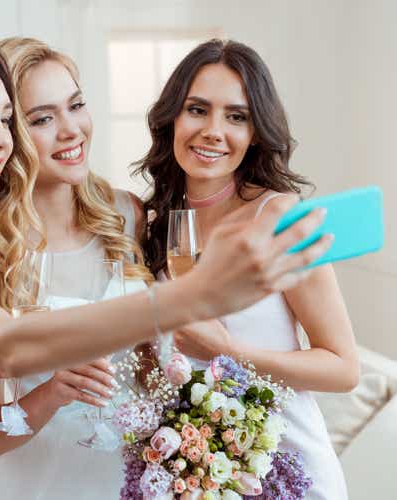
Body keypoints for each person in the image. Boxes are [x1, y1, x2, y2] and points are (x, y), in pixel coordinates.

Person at [0, 38, 330, 500]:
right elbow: (3, 369)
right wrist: (195, 299)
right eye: (27, 118)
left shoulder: (118, 217)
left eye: (4, 119)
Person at [134, 38, 356, 499]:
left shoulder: (279, 219)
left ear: (255, 133)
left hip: (289, 473)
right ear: (172, 117)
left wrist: (230, 351)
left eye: (236, 116)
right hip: (196, 477)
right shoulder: (157, 226)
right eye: (197, 109)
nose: (214, 131)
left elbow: (343, 367)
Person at [0, 37, 151, 500]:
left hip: (135, 481)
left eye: (75, 106)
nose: (71, 130)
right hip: (42, 486)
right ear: (8, 134)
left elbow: (148, 363)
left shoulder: (128, 216)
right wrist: (54, 392)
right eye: (42, 119)